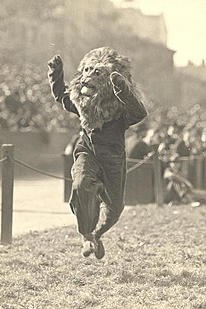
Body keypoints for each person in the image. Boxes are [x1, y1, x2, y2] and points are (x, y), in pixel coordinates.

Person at [48, 47, 147, 259]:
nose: (88, 77)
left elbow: (139, 112)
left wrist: (121, 89)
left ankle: (97, 234)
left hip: (112, 159)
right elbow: (61, 96)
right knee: (81, 184)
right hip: (87, 151)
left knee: (115, 209)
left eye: (97, 72)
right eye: (87, 70)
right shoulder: (82, 103)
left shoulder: (120, 109)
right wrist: (56, 73)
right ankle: (86, 235)